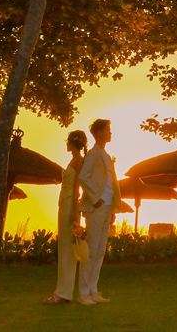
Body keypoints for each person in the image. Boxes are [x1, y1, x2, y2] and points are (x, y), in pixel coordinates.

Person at [76, 118, 121, 304]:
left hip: (108, 207)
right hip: (98, 207)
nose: (111, 133)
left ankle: (93, 290)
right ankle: (84, 293)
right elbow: (83, 177)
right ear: (100, 132)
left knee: (100, 250)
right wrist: (96, 199)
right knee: (91, 250)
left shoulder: (105, 154)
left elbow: (111, 182)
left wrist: (112, 208)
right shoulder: (94, 154)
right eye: (108, 130)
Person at [44, 130, 88, 305]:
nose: (66, 144)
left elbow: (77, 187)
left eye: (68, 141)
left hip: (70, 203)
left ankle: (63, 293)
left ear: (73, 143)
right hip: (64, 202)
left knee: (67, 248)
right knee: (64, 246)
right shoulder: (73, 160)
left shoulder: (78, 161)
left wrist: (73, 213)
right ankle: (63, 291)